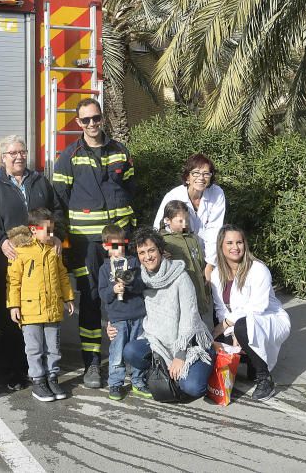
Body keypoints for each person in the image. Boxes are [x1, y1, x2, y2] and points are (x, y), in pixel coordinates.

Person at [53, 98, 136, 389]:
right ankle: (91, 365)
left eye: (96, 118)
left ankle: (125, 357)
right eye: (86, 120)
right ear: (78, 123)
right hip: (85, 245)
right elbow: (59, 201)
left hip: (119, 244)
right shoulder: (69, 156)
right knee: (90, 301)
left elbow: (129, 190)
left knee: (123, 298)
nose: (92, 124)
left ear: (102, 119)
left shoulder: (120, 152)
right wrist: (63, 242)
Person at [0, 134, 66, 390]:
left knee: (39, 316)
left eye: (22, 152)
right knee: (11, 317)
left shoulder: (40, 181)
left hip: (40, 262)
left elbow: (56, 211)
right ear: (2, 157)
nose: (18, 157)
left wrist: (56, 235)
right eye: (12, 153)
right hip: (8, 259)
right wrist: (0, 240)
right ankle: (15, 370)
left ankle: (41, 371)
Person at [118, 227, 214, 400]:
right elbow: (128, 306)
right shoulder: (142, 279)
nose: (147, 257)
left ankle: (203, 364)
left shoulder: (180, 276)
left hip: (190, 342)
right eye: (142, 253)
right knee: (131, 351)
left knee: (193, 388)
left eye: (151, 250)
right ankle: (163, 368)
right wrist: (112, 323)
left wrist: (180, 355)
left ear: (160, 250)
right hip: (158, 341)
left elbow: (189, 317)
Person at [210, 225, 290, 401]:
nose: (235, 247)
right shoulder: (216, 274)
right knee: (218, 339)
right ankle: (252, 360)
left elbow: (257, 307)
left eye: (239, 242)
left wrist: (227, 327)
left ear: (245, 244)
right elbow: (221, 308)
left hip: (268, 319)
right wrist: (229, 332)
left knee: (241, 327)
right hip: (239, 323)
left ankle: (265, 379)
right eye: (229, 243)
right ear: (221, 247)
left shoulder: (258, 269)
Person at [5, 209, 75, 403]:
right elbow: (13, 280)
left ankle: (52, 378)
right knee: (34, 348)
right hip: (30, 310)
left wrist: (68, 298)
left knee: (53, 347)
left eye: (52, 230)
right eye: (47, 230)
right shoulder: (22, 251)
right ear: (33, 230)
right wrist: (14, 306)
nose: (51, 235)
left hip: (52, 309)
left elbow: (62, 275)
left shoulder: (54, 250)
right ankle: (38, 381)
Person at [152, 153, 226, 282]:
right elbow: (159, 227)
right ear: (187, 177)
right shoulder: (173, 196)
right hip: (178, 252)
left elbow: (214, 230)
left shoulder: (217, 193)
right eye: (196, 173)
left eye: (206, 173)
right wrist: (161, 250)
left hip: (208, 255)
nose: (201, 178)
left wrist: (210, 264)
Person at [96, 230, 145, 401]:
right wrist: (113, 289)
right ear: (106, 246)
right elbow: (102, 294)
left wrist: (129, 284)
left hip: (137, 314)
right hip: (118, 317)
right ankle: (116, 383)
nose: (120, 249)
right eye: (115, 246)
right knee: (117, 352)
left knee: (138, 350)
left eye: (122, 245)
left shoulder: (133, 262)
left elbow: (141, 286)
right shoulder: (104, 269)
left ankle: (138, 381)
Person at [160, 200, 212, 320]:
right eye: (180, 221)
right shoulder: (162, 241)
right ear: (167, 220)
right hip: (179, 299)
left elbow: (201, 266)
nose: (184, 225)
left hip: (199, 296)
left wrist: (206, 292)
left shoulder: (192, 238)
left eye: (186, 220)